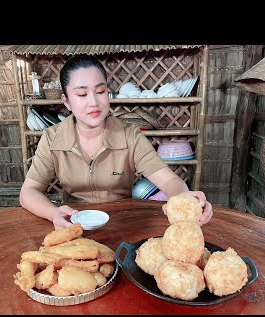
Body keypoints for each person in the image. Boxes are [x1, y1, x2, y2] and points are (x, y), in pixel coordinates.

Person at [19, 54, 213, 230]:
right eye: (82, 94)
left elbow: (170, 180)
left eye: (101, 91)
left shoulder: (130, 136)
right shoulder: (52, 138)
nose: (94, 102)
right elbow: (28, 192)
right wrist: (53, 213)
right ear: (67, 101)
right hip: (74, 224)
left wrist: (183, 198)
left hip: (123, 224)